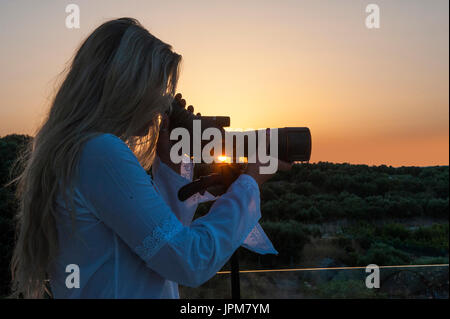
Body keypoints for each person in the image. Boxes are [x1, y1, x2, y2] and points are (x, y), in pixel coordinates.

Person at [10, 18, 291, 298]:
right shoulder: (100, 151)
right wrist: (250, 183)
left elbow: (156, 246)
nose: (162, 103)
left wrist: (170, 165)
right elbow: (189, 260)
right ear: (127, 86)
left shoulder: (79, 152)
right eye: (158, 88)